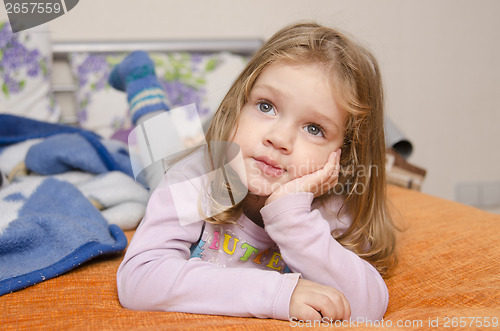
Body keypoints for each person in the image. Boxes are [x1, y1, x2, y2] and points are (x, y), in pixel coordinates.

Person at [112, 21, 398, 322]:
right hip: (202, 164)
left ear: (345, 155)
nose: (279, 138)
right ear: (238, 104)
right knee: (159, 150)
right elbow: (140, 278)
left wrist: (291, 217)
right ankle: (140, 80)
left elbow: (368, 308)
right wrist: (277, 293)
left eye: (314, 129)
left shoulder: (335, 207)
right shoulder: (195, 177)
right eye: (265, 106)